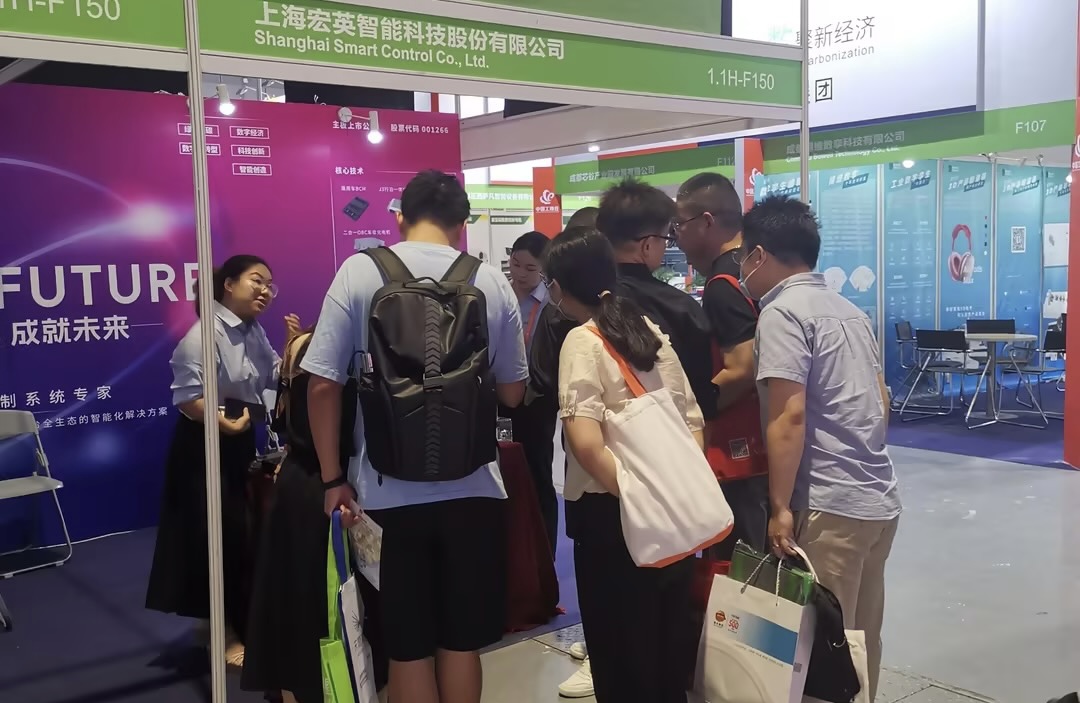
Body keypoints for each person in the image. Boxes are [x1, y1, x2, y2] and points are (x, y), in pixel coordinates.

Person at [301, 170, 528, 703]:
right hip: (474, 488)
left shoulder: (360, 271)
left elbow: (322, 385)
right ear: (462, 223)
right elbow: (514, 393)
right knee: (461, 641)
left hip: (385, 494)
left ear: (400, 216)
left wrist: (333, 479)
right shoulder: (490, 280)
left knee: (406, 646)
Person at [741, 195, 901, 702]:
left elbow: (789, 415)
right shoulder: (850, 311)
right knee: (859, 638)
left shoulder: (782, 314)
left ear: (759, 255)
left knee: (821, 648)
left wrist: (780, 508)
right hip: (877, 501)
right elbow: (881, 401)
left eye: (744, 256)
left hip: (828, 504)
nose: (742, 269)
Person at [550, 227, 703, 703]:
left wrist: (638, 495)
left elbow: (586, 445)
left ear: (559, 286)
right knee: (665, 646)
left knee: (620, 652)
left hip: (610, 513)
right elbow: (691, 421)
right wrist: (671, 486)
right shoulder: (648, 330)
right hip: (674, 511)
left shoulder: (582, 340)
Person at [146, 255, 298, 667]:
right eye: (256, 280)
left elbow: (271, 376)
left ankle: (226, 620)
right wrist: (221, 424)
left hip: (237, 439)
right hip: (203, 445)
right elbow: (187, 398)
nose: (265, 290)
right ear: (228, 284)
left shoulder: (252, 330)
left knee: (237, 536)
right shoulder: (202, 335)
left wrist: (291, 347)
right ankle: (222, 634)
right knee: (211, 539)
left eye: (270, 285)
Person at [241, 324, 388, 703]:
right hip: (329, 489)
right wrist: (334, 478)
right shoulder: (339, 350)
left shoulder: (305, 344)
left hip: (306, 485)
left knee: (303, 614)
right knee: (321, 613)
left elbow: (286, 420)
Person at [675, 172, 769, 558]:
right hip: (768, 444)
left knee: (736, 569)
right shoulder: (755, 268)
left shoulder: (722, 284)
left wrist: (696, 410)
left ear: (707, 221)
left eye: (679, 225)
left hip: (738, 456)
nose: (676, 237)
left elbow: (743, 368)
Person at [501, 230, 559, 554]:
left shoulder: (552, 303)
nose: (520, 274)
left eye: (530, 268)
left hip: (537, 403)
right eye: (515, 264)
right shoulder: (499, 294)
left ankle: (545, 554)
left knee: (538, 475)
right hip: (501, 399)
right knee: (504, 473)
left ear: (544, 269)